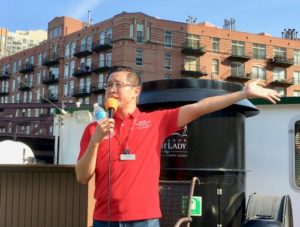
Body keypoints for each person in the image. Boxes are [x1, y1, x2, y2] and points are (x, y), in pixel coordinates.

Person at [75, 66, 280, 227]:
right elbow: (82, 177)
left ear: (136, 91)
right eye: (108, 85)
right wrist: (95, 142)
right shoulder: (94, 129)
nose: (111, 90)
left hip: (143, 221)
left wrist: (242, 94)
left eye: (118, 84)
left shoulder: (156, 121)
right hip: (104, 219)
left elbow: (199, 107)